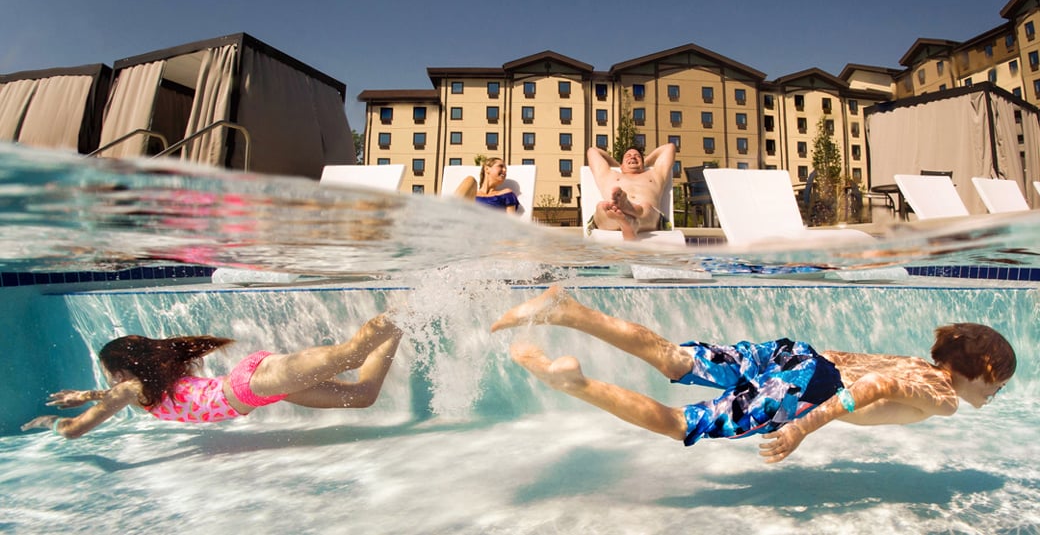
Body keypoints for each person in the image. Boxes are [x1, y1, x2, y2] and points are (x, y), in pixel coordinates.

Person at [491, 286, 1016, 463]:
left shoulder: (914, 362)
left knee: (674, 358)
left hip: (795, 355)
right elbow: (870, 388)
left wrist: (794, 378)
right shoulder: (940, 394)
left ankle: (567, 310)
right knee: (680, 423)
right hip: (809, 387)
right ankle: (574, 384)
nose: (995, 393)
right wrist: (801, 427)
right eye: (999, 383)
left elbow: (855, 364)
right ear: (984, 369)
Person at [21, 313, 403, 439]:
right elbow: (113, 395)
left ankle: (409, 304)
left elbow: (77, 429)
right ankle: (403, 324)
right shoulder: (146, 387)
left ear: (124, 371)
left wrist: (55, 423)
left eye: (111, 374)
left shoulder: (132, 390)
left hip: (254, 383)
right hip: (262, 392)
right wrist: (89, 394)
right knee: (364, 393)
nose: (110, 381)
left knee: (351, 354)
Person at [587, 143, 675, 240]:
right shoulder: (609, 174)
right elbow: (593, 151)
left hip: (648, 218)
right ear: (621, 164)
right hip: (612, 216)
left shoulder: (655, 174)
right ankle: (629, 221)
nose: (633, 157)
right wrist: (617, 165)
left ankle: (630, 211)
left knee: (646, 207)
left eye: (637, 156)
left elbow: (669, 147)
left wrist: (644, 163)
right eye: (628, 156)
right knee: (602, 207)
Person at [454, 157, 519, 214]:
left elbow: (511, 221)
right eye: (501, 166)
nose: (504, 170)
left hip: (489, 226)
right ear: (487, 169)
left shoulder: (506, 193)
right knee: (470, 180)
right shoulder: (471, 194)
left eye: (505, 169)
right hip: (465, 222)